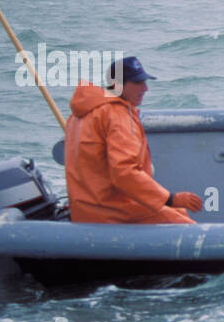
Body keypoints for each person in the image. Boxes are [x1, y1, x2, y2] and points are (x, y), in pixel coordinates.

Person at [64, 56, 203, 224]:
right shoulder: (117, 114)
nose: (145, 88)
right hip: (112, 212)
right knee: (186, 228)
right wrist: (171, 198)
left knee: (177, 211)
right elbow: (124, 173)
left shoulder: (77, 116)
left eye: (144, 81)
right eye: (137, 83)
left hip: (84, 211)